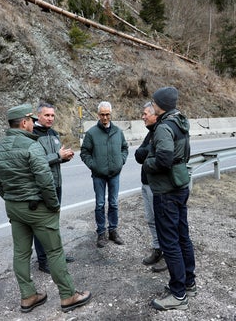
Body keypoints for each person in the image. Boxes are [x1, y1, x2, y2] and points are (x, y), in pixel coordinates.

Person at [0, 103, 91, 313]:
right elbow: (45, 180)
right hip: (37, 208)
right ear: (24, 123)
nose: (33, 124)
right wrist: (53, 205)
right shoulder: (31, 147)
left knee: (21, 253)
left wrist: (13, 200)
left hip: (14, 209)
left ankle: (28, 296)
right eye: (31, 121)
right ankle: (68, 295)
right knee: (54, 251)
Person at [142, 87, 197, 311]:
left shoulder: (164, 127)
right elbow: (184, 154)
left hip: (166, 192)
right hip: (180, 187)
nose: (152, 105)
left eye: (154, 102)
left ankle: (178, 294)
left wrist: (148, 163)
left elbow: (163, 159)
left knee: (170, 242)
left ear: (160, 105)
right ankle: (188, 283)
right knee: (183, 236)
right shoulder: (181, 122)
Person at [32, 102, 75, 272]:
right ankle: (43, 261)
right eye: (47, 115)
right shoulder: (32, 135)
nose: (50, 118)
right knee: (41, 225)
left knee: (54, 223)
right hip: (42, 187)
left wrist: (64, 157)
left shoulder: (53, 133)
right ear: (39, 116)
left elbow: (54, 159)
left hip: (56, 185)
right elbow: (35, 162)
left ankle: (56, 255)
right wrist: (58, 155)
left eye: (52, 115)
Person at [80, 101, 129, 248]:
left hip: (114, 174)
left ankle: (113, 230)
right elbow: (84, 152)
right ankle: (101, 232)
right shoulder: (92, 133)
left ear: (111, 114)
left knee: (113, 203)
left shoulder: (118, 132)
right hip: (98, 175)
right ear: (98, 115)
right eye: (102, 114)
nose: (105, 117)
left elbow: (125, 148)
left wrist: (121, 161)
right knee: (100, 204)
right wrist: (93, 165)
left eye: (107, 114)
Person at [134, 102, 167, 272]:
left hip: (156, 186)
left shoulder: (161, 132)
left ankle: (168, 256)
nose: (143, 116)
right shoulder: (150, 134)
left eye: (145, 113)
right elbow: (139, 154)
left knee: (162, 221)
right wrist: (146, 152)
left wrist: (145, 152)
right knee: (150, 220)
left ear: (155, 115)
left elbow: (147, 155)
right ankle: (157, 249)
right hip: (146, 182)